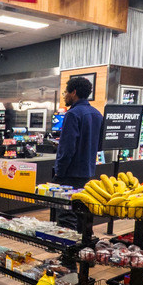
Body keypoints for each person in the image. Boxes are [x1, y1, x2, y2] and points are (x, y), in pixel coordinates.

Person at [54, 77, 104, 232]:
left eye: (66, 92)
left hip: (69, 173)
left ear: (74, 92)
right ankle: (83, 247)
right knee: (82, 210)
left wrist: (59, 172)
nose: (64, 96)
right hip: (87, 172)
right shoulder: (97, 114)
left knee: (66, 213)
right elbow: (100, 145)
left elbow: (67, 148)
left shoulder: (73, 114)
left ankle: (67, 248)